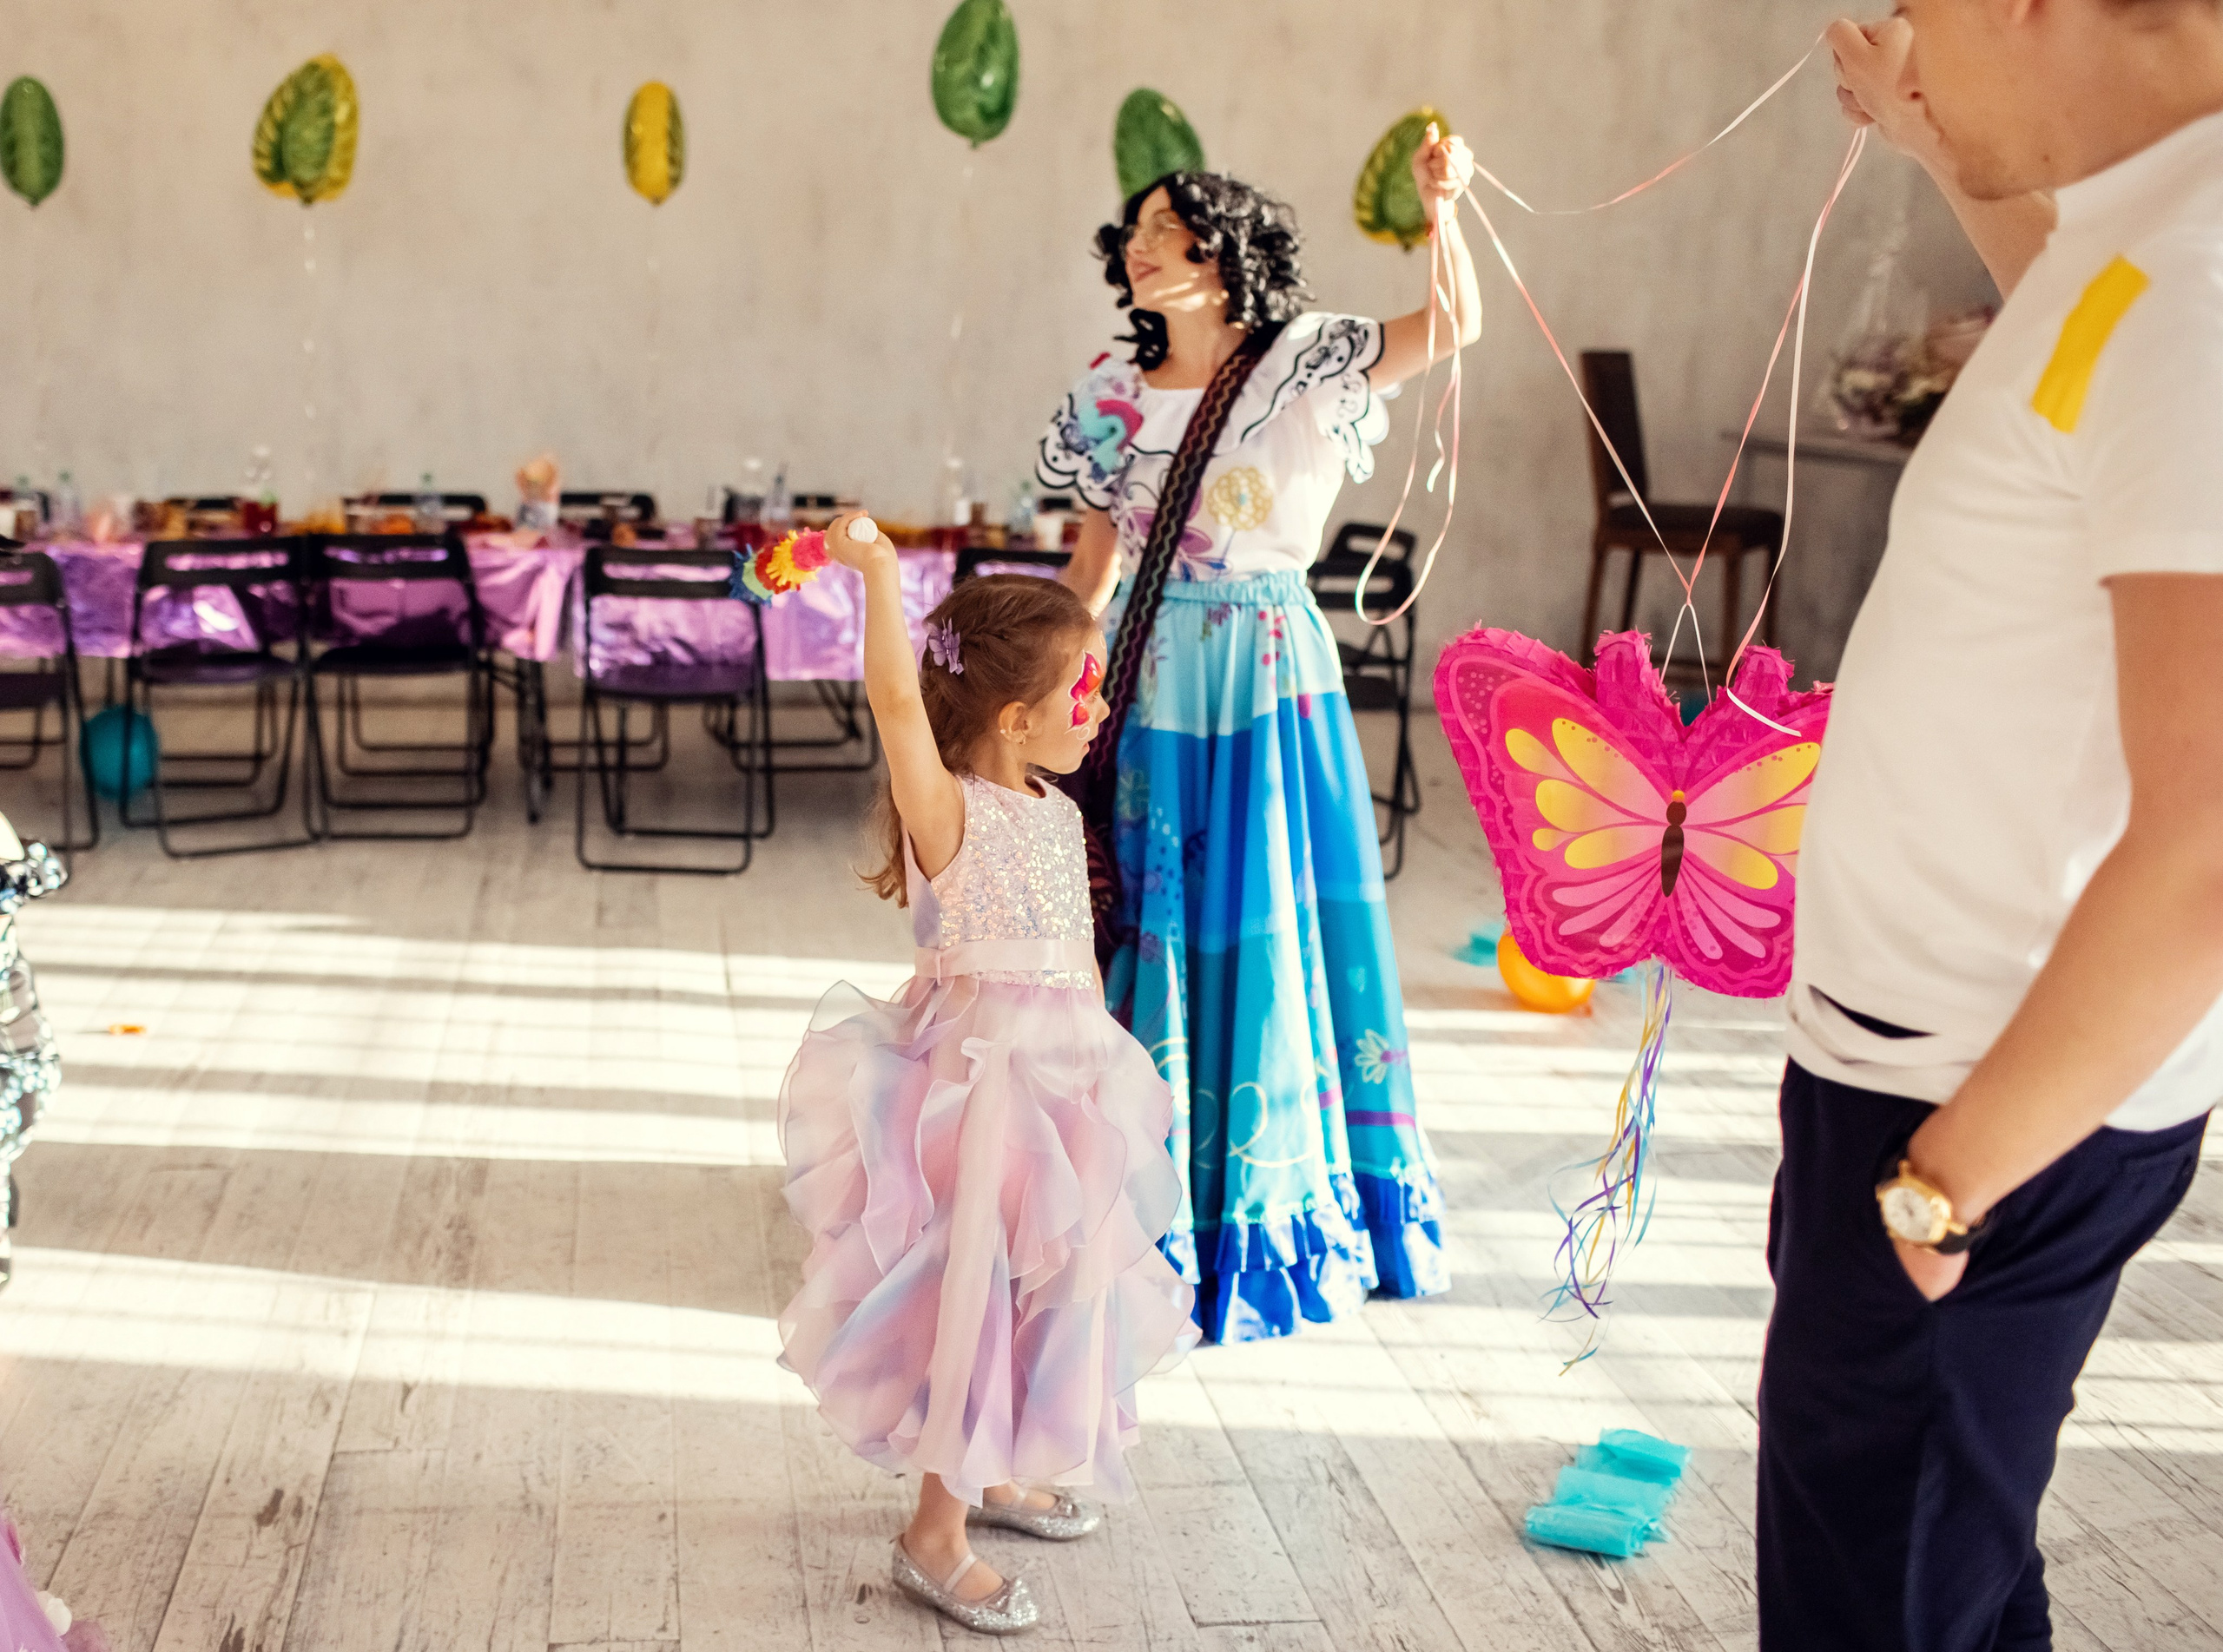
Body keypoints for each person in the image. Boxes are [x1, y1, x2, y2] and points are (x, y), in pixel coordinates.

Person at [1764, 5, 2223, 1648]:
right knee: (1929, 1577)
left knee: (1885, 1609)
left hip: (1977, 1109)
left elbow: (2211, 848)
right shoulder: (2142, 241)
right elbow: (2086, 359)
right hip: (1931, 1076)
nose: (1894, 34)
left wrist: (1943, 1190)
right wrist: (1945, 146)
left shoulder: (2197, 285)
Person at [1032, 133, 1481, 1344]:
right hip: (1146, 676)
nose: (1141, 248)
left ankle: (1268, 1202)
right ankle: (1144, 1193)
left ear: (1225, 252)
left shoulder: (1302, 360)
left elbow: (1453, 326)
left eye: (1166, 231)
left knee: (1266, 914)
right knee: (1144, 911)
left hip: (1265, 675)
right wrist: (1039, 699)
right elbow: (1092, 570)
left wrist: (1442, 207)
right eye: (1133, 233)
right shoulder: (1112, 394)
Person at [775, 515, 1196, 1636]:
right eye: (1081, 691)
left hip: (1063, 1092)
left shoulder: (1055, 806)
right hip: (981, 1101)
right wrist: (877, 574)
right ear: (1014, 717)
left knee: (1038, 1296)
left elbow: (1070, 958)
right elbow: (896, 700)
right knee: (975, 1300)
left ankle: (994, 1468)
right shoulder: (953, 809)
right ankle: (934, 1533)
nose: (1097, 705)